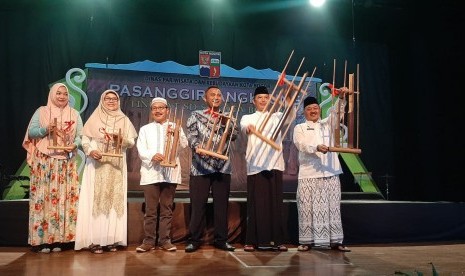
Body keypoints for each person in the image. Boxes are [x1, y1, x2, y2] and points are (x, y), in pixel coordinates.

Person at [74, 89, 137, 254]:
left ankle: (111, 239)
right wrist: (89, 151)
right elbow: (85, 139)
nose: (111, 101)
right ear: (102, 100)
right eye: (108, 98)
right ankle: (94, 240)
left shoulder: (123, 119)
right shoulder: (94, 118)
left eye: (114, 99)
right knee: (96, 199)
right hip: (97, 163)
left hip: (116, 165)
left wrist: (120, 140)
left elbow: (131, 142)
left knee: (113, 199)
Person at [22, 82, 83, 253]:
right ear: (52, 95)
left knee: (64, 198)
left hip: (65, 162)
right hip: (44, 161)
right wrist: (45, 129)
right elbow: (31, 132)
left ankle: (61, 240)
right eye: (59, 93)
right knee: (43, 199)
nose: (62, 96)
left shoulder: (74, 113)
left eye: (65, 93)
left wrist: (75, 145)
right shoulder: (41, 111)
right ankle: (42, 240)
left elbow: (80, 135)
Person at [292, 93, 351, 252]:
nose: (313, 111)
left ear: (320, 110)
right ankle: (306, 241)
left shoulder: (327, 124)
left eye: (316, 108)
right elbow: (301, 144)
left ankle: (336, 241)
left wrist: (342, 98)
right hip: (309, 174)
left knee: (333, 208)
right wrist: (316, 147)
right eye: (309, 109)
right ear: (304, 112)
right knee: (307, 208)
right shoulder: (300, 128)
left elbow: (337, 113)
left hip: (330, 173)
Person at [240, 86, 295, 252]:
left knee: (275, 204)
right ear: (254, 100)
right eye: (259, 98)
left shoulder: (277, 116)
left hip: (274, 165)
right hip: (256, 166)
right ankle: (252, 240)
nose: (263, 100)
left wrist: (288, 99)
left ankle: (277, 240)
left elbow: (290, 115)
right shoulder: (247, 117)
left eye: (266, 97)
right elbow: (244, 127)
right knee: (255, 205)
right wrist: (249, 129)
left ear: (270, 99)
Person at [184, 85, 237, 253]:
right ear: (204, 98)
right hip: (200, 167)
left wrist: (227, 125)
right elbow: (191, 135)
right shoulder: (196, 115)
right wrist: (197, 146)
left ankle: (221, 240)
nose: (216, 97)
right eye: (212, 94)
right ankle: (194, 239)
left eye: (219, 94)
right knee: (198, 205)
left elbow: (234, 135)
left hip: (222, 167)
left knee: (221, 206)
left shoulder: (227, 117)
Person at [135, 97, 188, 252]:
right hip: (151, 173)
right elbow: (141, 149)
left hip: (170, 173)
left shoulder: (175, 126)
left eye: (161, 108)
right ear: (151, 111)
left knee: (166, 209)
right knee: (150, 211)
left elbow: (184, 145)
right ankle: (149, 242)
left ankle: (165, 240)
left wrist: (177, 133)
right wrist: (152, 155)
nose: (157, 110)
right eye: (154, 108)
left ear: (167, 111)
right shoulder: (145, 129)